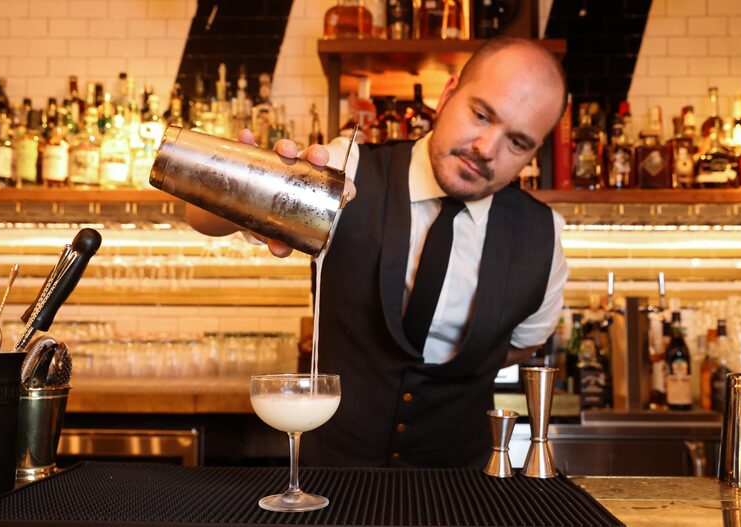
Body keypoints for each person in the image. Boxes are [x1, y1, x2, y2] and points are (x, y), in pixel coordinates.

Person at [187, 36, 569, 468]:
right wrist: (244, 193)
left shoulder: (543, 235)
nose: (486, 149)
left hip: (460, 489)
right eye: (480, 114)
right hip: (332, 481)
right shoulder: (345, 168)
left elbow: (521, 344)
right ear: (447, 95)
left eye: (517, 143)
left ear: (533, 153)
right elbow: (198, 214)